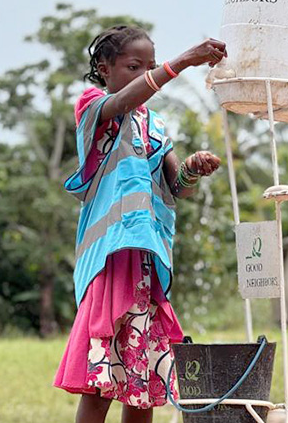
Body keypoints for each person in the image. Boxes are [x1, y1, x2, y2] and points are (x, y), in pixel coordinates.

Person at [54, 25, 225, 423]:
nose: (142, 74)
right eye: (133, 66)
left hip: (146, 261)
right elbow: (123, 101)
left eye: (147, 66)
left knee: (142, 384)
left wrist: (192, 170)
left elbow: (176, 187)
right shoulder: (93, 106)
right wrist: (180, 62)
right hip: (109, 260)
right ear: (104, 68)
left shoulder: (154, 125)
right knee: (102, 380)